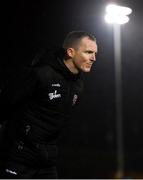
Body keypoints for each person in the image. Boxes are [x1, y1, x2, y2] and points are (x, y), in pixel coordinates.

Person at [0, 31, 98, 178]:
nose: (93, 58)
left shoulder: (78, 85)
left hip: (46, 162)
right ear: (71, 52)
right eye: (88, 52)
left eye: (95, 53)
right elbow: (5, 104)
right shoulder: (41, 74)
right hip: (17, 159)